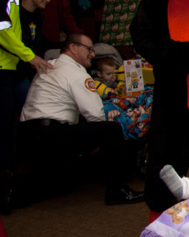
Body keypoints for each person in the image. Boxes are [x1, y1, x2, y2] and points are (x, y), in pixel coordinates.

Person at [16, 33, 144, 205]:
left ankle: (13, 192)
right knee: (110, 129)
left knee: (62, 185)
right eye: (89, 49)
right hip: (50, 137)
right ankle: (117, 190)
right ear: (73, 48)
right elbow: (95, 115)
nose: (93, 54)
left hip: (26, 137)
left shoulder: (50, 65)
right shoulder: (76, 72)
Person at [0, 0, 54, 181]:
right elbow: (1, 30)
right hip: (4, 68)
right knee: (4, 125)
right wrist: (28, 56)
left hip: (11, 68)